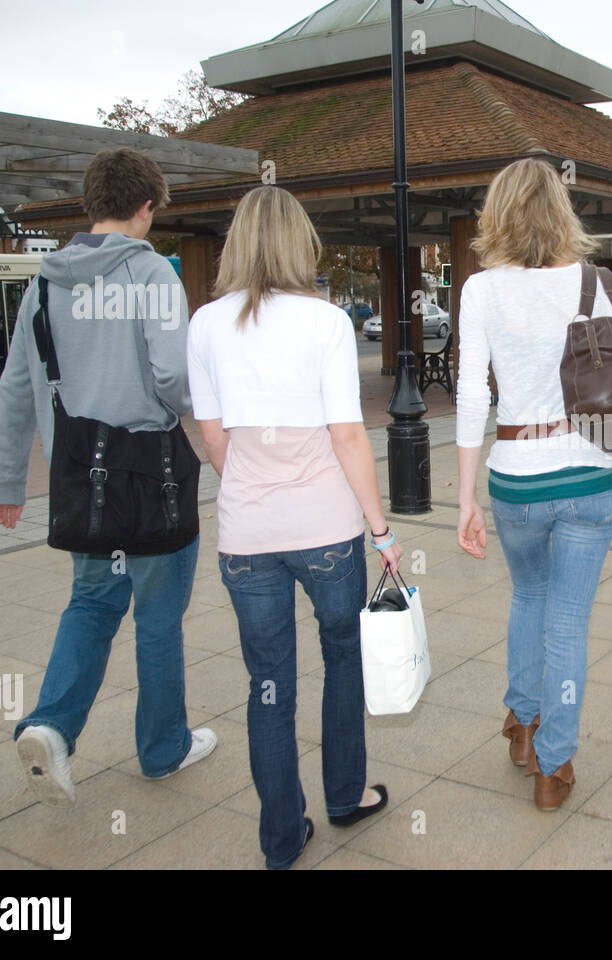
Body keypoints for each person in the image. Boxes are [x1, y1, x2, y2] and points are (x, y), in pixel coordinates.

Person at [0, 147, 215, 805]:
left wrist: (5, 482)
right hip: (154, 481)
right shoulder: (152, 276)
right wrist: (210, 408)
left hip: (82, 487)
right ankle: (162, 749)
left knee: (90, 603)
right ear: (146, 207)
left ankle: (52, 727)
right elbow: (173, 378)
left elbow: (17, 390)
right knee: (157, 618)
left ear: (92, 206)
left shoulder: (44, 282)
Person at [187, 186, 402, 869]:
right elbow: (346, 435)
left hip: (248, 536)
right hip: (328, 531)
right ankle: (345, 794)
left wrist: (252, 490)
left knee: (268, 684)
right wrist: (382, 532)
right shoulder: (326, 323)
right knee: (342, 660)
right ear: (297, 242)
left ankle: (281, 839)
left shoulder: (205, 325)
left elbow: (213, 437)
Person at [455, 157, 612, 811]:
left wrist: (464, 498)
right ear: (562, 212)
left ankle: (522, 726)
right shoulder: (598, 282)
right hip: (588, 471)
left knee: (529, 598)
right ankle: (554, 769)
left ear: (497, 213)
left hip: (515, 479)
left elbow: (472, 394)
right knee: (568, 624)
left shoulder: (481, 289)